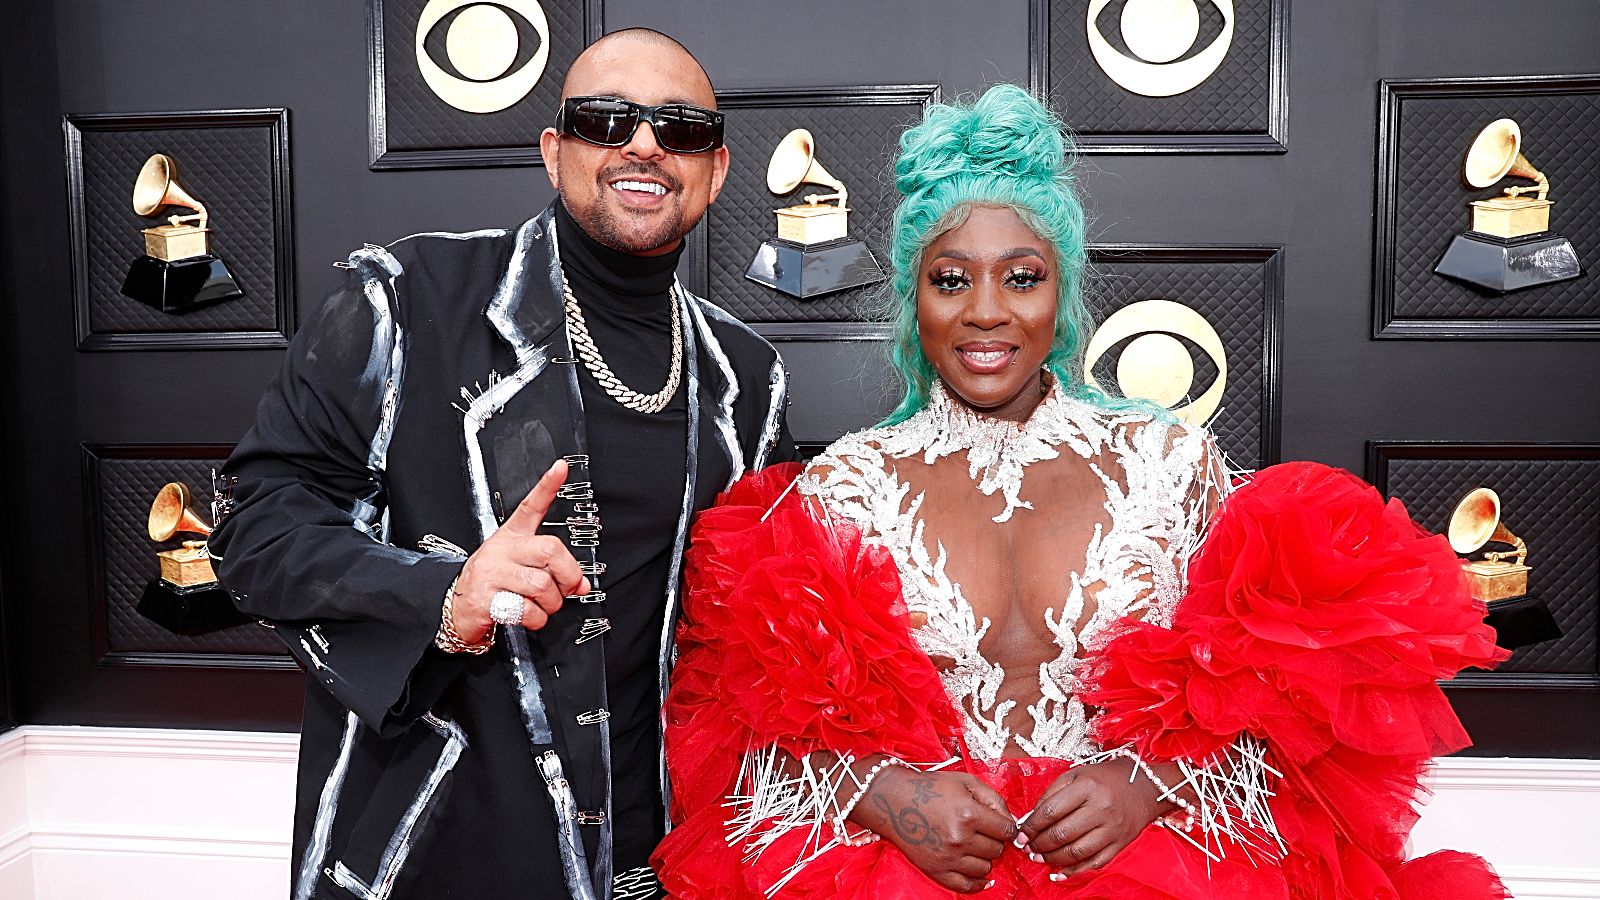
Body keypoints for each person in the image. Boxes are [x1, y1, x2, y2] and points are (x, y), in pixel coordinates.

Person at [652, 85, 1510, 899]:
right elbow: (741, 727)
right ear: (912, 300)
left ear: (1062, 295)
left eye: (1020, 277)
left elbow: (1308, 687)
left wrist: (1152, 783)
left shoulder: (1170, 464)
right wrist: (892, 801)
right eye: (951, 280)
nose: (986, 311)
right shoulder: (845, 486)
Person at [209, 28, 795, 900]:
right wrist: (442, 595)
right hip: (443, 850)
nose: (644, 144)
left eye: (678, 128)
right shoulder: (405, 300)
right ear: (555, 154)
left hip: (668, 856)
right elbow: (253, 531)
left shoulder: (744, 377)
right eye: (608, 119)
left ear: (714, 170)